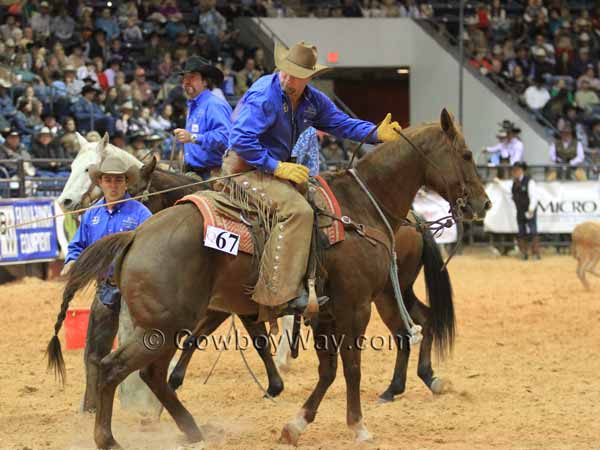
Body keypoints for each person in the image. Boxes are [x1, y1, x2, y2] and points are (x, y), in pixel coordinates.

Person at [226, 41, 403, 315]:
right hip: (246, 170)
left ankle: (311, 280)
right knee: (298, 212)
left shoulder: (312, 101)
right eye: (285, 71)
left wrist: (376, 134)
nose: (288, 78)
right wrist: (275, 166)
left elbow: (341, 123)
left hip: (273, 170)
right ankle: (279, 291)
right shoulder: (264, 95)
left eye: (296, 75)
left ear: (309, 77)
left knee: (320, 206)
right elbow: (240, 139)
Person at [60, 154, 152, 410]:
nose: (113, 185)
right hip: (105, 288)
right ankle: (91, 405)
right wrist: (71, 261)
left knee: (131, 348)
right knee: (94, 350)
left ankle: (137, 406)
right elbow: (78, 245)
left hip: (133, 290)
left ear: (126, 183)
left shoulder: (142, 214)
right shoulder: (91, 215)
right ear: (100, 182)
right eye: (108, 180)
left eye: (118, 180)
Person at [173, 56, 232, 179]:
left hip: (210, 175)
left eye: (192, 77)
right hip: (192, 172)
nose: (186, 82)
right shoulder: (193, 104)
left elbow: (225, 137)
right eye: (184, 78)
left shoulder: (214, 104)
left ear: (205, 81)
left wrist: (192, 138)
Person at [510, 162, 540, 260]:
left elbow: (534, 196)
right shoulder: (514, 183)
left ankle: (535, 253)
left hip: (529, 210)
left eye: (517, 170)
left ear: (521, 170)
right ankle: (524, 253)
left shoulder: (529, 182)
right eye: (514, 170)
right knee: (521, 232)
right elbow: (510, 192)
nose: (515, 172)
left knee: (533, 231)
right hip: (520, 210)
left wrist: (531, 209)